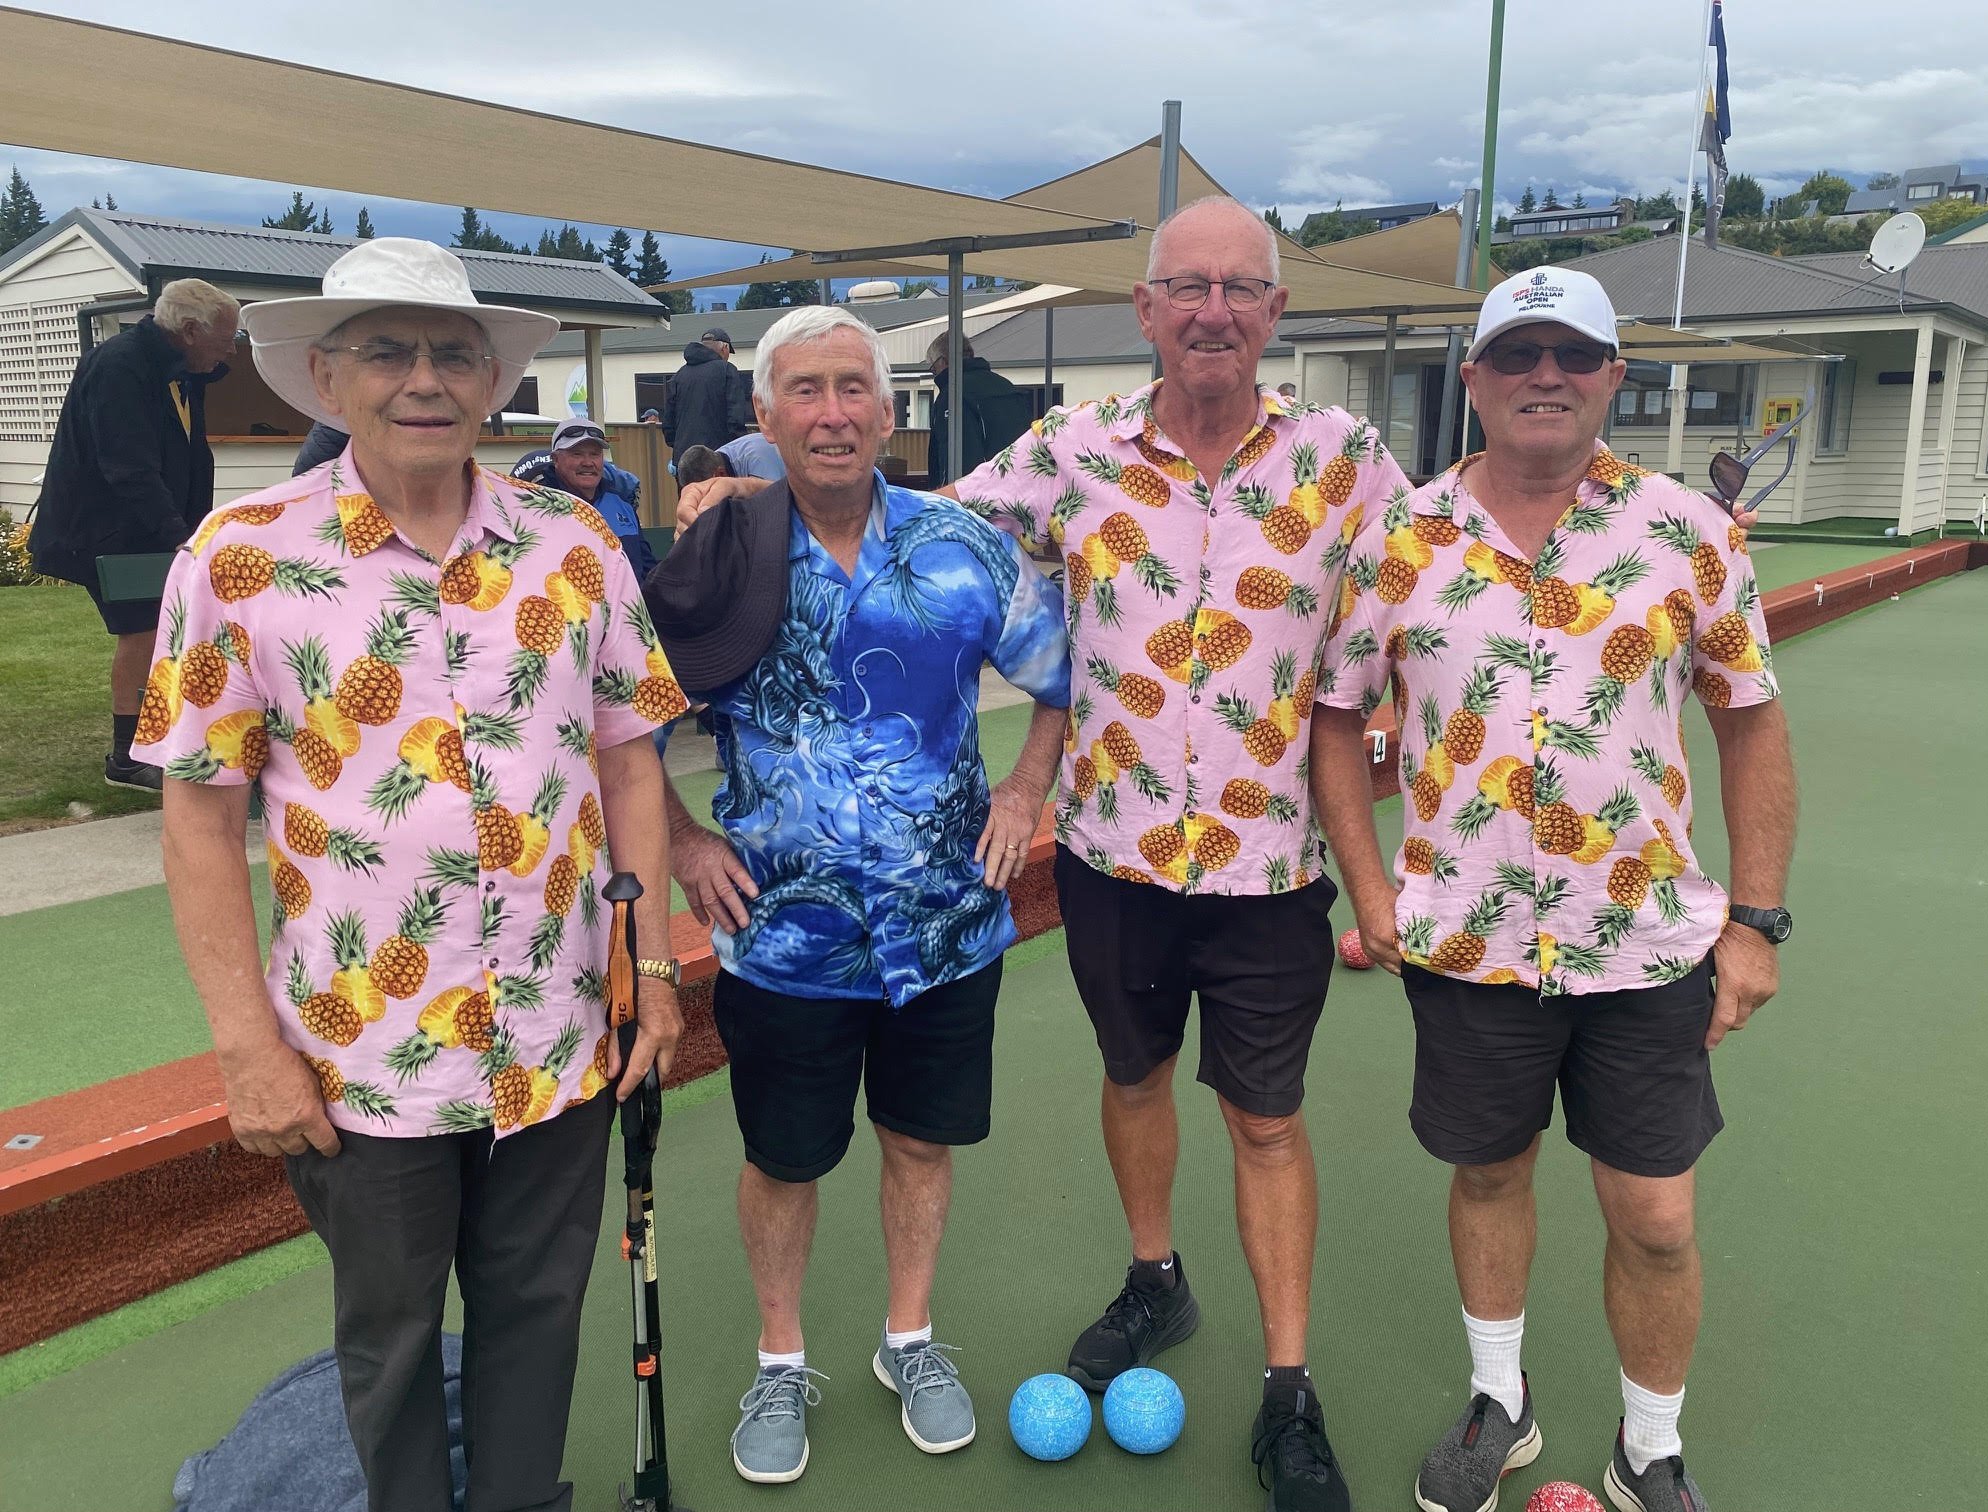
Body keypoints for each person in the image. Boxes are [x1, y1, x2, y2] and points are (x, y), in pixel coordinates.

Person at [141, 237, 685, 1512]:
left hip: (557, 1035)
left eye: (454, 352)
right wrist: (243, 1048)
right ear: (326, 379)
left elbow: (632, 769)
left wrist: (651, 971)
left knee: (537, 1319)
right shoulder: (238, 558)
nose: (424, 380)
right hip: (359, 1050)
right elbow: (199, 826)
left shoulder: (575, 543)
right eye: (389, 350)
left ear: (493, 380)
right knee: (388, 1345)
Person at [949, 196, 1410, 1512]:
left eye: (1242, 287)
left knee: (1266, 1123)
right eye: (1187, 287)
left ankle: (1287, 1391)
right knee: (1135, 1076)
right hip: (1114, 855)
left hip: (1272, 875)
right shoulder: (1070, 451)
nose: (1214, 309)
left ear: (1277, 312)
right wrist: (762, 504)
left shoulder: (1347, 459)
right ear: (1144, 311)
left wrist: (1401, 862)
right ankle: (1156, 1279)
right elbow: (934, 544)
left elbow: (1438, 626)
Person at [1310, 266, 1795, 1512]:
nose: (1545, 376)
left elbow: (1749, 724)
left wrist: (1755, 920)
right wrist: (1369, 896)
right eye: (1516, 353)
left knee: (1657, 1216)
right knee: (1488, 1175)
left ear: (1613, 378)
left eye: (1572, 355)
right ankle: (1501, 1400)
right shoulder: (1399, 538)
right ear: (1471, 378)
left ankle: (1650, 1448)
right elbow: (1336, 717)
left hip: (1643, 944)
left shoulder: (1692, 532)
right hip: (1466, 944)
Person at [642, 304, 1070, 1486]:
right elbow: (618, 720)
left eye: (853, 391)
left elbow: (1060, 675)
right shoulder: (720, 553)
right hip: (783, 939)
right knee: (784, 1160)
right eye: (806, 393)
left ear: (890, 412)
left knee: (919, 1143)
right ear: (764, 419)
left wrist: (1026, 792)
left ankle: (909, 1341)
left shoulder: (964, 545)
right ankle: (781, 1359)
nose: (832, 414)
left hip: (946, 926)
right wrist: (682, 842)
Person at [28, 278, 241, 791]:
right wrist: (180, 539)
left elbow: (190, 457)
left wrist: (196, 528)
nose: (231, 350)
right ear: (190, 330)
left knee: (165, 629)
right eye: (226, 338)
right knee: (143, 630)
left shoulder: (181, 370)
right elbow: (128, 467)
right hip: (106, 530)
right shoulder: (120, 366)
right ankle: (126, 759)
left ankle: (161, 739)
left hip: (150, 527)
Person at [509, 417, 655, 583]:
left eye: (594, 454)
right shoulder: (535, 508)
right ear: (555, 459)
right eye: (577, 454)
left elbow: (647, 571)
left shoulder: (622, 504)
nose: (588, 463)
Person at [924, 332, 1026, 488]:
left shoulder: (952, 396)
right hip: (1019, 488)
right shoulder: (1007, 387)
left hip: (975, 496)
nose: (935, 375)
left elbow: (949, 458)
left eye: (933, 369)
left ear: (943, 361)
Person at [659, 325, 752, 456]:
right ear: (725, 348)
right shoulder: (727, 370)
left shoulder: (679, 375)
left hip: (684, 459)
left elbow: (668, 422)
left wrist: (679, 446)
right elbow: (735, 419)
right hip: (717, 457)